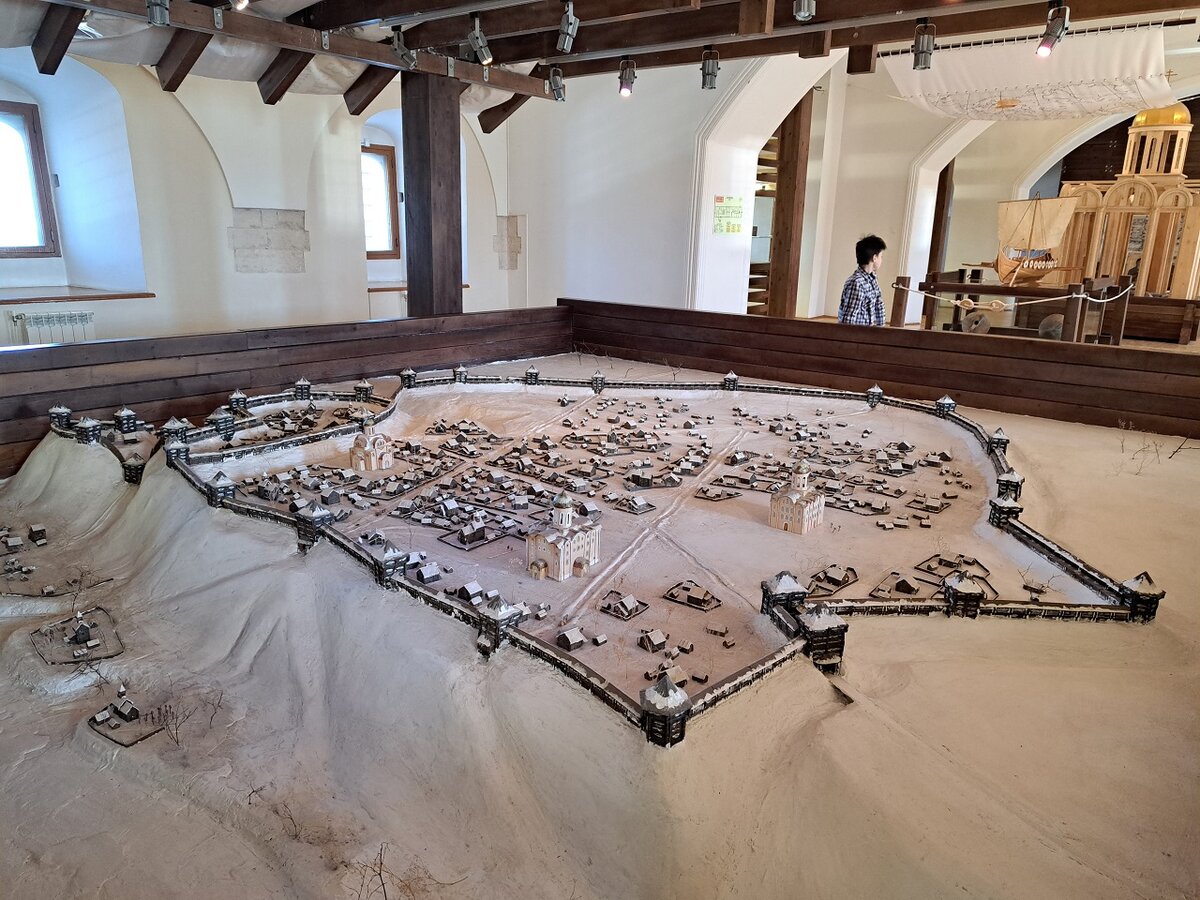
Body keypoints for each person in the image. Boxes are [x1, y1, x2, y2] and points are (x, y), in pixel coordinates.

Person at [838, 235, 887, 326]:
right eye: (881, 256)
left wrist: (881, 330)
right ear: (874, 258)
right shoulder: (856, 283)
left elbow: (879, 306)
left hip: (869, 331)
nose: (881, 260)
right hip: (857, 333)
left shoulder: (873, 279)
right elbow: (849, 317)